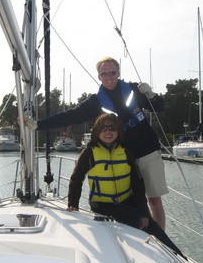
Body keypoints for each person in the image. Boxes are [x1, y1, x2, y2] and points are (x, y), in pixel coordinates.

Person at [24, 56, 169, 230]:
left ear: (118, 73)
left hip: (148, 151)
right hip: (123, 156)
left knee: (154, 200)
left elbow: (160, 107)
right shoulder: (95, 103)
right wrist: (39, 125)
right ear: (99, 76)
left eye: (112, 72)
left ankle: (161, 239)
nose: (109, 76)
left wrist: (152, 96)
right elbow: (69, 116)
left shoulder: (134, 90)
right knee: (132, 201)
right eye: (104, 73)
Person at [67, 113, 184, 258]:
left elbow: (138, 184)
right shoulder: (89, 153)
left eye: (112, 128)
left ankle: (178, 257)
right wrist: (73, 204)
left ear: (118, 131)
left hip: (127, 201)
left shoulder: (126, 152)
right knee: (133, 217)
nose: (108, 132)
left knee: (156, 230)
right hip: (102, 205)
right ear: (97, 131)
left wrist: (143, 211)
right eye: (103, 128)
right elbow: (76, 179)